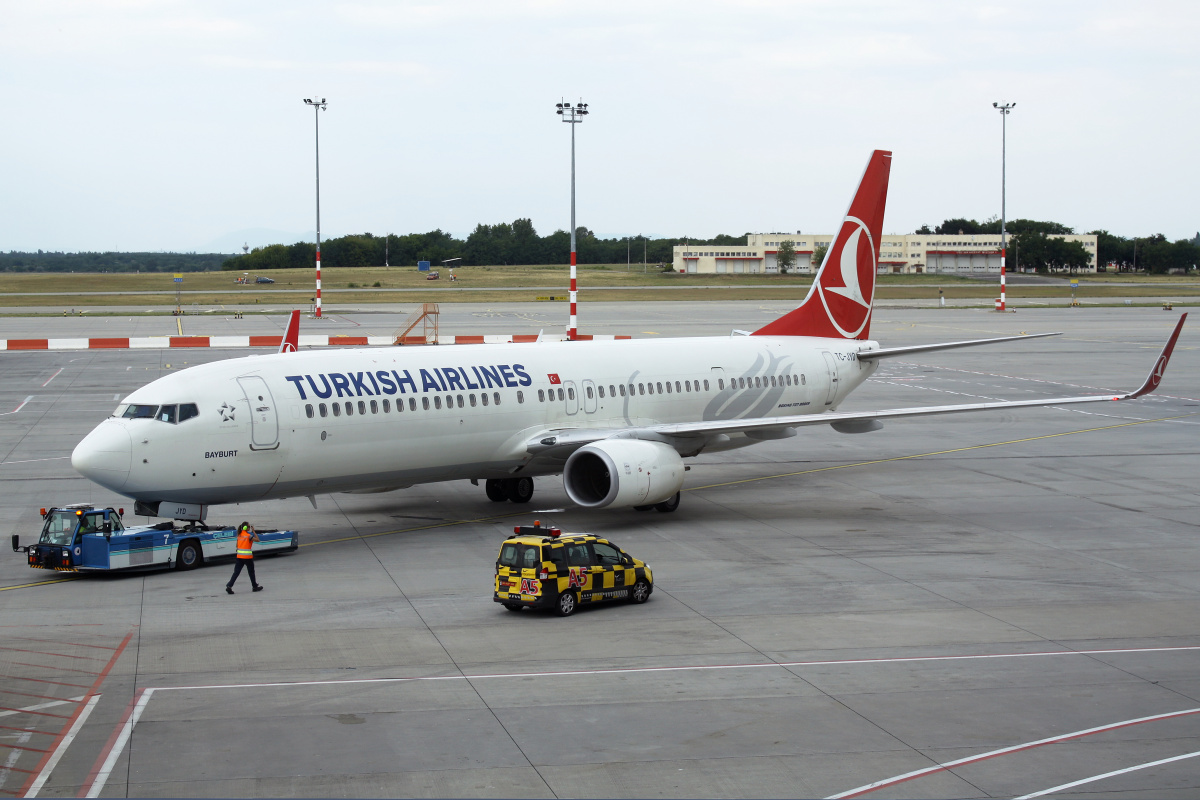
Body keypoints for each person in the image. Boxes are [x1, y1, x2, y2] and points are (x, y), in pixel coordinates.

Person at [225, 522, 263, 594]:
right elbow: (258, 540)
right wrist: (254, 531)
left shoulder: (239, 535)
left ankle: (229, 586)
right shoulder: (248, 536)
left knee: (236, 572)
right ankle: (254, 586)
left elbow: (237, 545)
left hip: (239, 557)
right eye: (249, 526)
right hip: (247, 557)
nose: (249, 527)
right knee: (251, 572)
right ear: (246, 528)